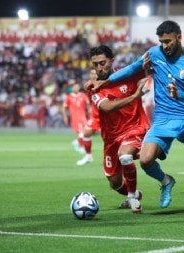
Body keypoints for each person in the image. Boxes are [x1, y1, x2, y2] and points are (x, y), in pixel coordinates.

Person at [91, 20, 184, 219]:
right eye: (161, 41)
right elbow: (131, 69)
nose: (164, 46)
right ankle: (166, 182)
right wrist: (105, 82)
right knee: (146, 160)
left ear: (179, 37)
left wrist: (179, 93)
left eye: (168, 41)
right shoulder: (154, 54)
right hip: (163, 120)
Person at [85, 45, 150, 213]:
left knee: (125, 154)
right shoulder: (94, 87)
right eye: (95, 65)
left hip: (135, 128)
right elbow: (107, 108)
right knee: (114, 183)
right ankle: (134, 192)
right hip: (111, 138)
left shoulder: (128, 74)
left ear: (112, 61)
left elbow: (150, 64)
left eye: (102, 63)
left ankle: (132, 199)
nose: (99, 68)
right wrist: (134, 96)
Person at [76, 68, 101, 166]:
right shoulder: (89, 86)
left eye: (95, 73)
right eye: (91, 73)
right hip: (95, 116)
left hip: (106, 116)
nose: (93, 75)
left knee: (110, 140)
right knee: (86, 134)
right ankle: (88, 156)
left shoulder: (106, 83)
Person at [61, 81, 90, 155]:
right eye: (74, 87)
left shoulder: (83, 95)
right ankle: (81, 147)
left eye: (77, 86)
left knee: (85, 132)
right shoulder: (69, 97)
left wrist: (90, 112)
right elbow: (63, 108)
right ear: (72, 88)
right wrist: (65, 117)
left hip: (83, 117)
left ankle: (76, 142)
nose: (76, 88)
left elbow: (88, 105)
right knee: (82, 132)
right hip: (75, 118)